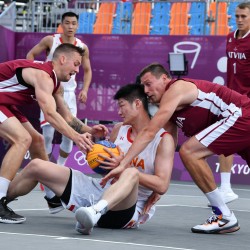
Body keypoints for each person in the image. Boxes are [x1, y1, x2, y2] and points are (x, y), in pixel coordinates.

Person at [101, 62, 250, 234]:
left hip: (241, 115)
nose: (146, 90)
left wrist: (123, 163)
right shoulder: (171, 109)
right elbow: (168, 142)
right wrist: (158, 190)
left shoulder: (176, 89)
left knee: (190, 152)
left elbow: (150, 132)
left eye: (148, 84)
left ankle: (223, 215)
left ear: (165, 78)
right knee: (189, 152)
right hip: (241, 120)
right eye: (142, 87)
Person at [6, 84, 174, 234]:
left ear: (137, 104)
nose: (118, 112)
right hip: (100, 192)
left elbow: (162, 184)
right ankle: (1, 200)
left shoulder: (163, 140)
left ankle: (94, 213)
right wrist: (94, 148)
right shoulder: (118, 130)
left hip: (127, 208)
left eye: (122, 106)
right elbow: (105, 172)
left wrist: (124, 167)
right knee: (36, 166)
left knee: (131, 172)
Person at [0, 43, 107, 224]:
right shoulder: (43, 75)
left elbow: (66, 116)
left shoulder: (57, 85)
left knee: (37, 141)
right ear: (62, 59)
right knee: (22, 139)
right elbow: (50, 115)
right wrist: (76, 138)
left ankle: (51, 196)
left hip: (5, 103)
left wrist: (89, 130)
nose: (78, 70)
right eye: (76, 64)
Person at [26, 11, 92, 167]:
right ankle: (47, 168)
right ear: (61, 25)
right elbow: (31, 55)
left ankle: (60, 167)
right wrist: (36, 79)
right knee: (47, 134)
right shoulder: (51, 40)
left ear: (77, 26)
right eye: (67, 23)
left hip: (68, 94)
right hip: (49, 91)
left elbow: (88, 70)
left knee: (69, 135)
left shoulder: (82, 47)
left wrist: (85, 90)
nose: (70, 26)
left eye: (73, 23)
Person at [216, 1, 250, 205]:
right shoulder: (229, 38)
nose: (239, 19)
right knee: (224, 140)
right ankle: (226, 188)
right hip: (232, 100)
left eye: (243, 16)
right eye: (236, 16)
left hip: (248, 100)